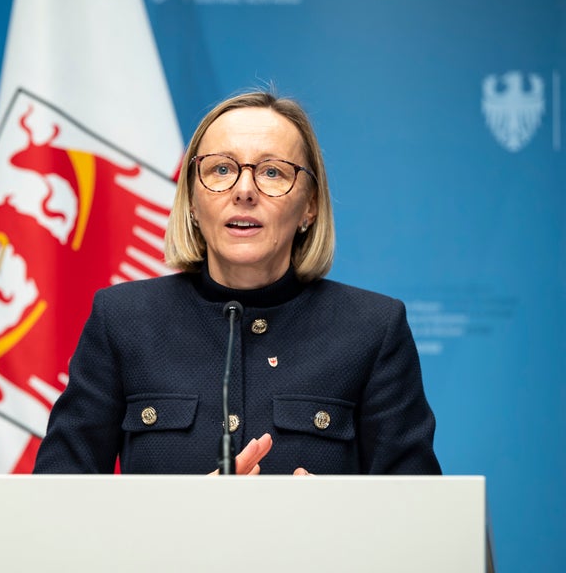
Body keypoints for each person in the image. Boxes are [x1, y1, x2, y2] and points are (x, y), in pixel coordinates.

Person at [33, 91, 441, 476]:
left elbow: (419, 511)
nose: (244, 191)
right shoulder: (124, 320)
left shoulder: (371, 329)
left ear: (310, 206)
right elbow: (55, 498)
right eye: (221, 169)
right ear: (192, 202)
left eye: (272, 172)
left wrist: (331, 514)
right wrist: (189, 514)